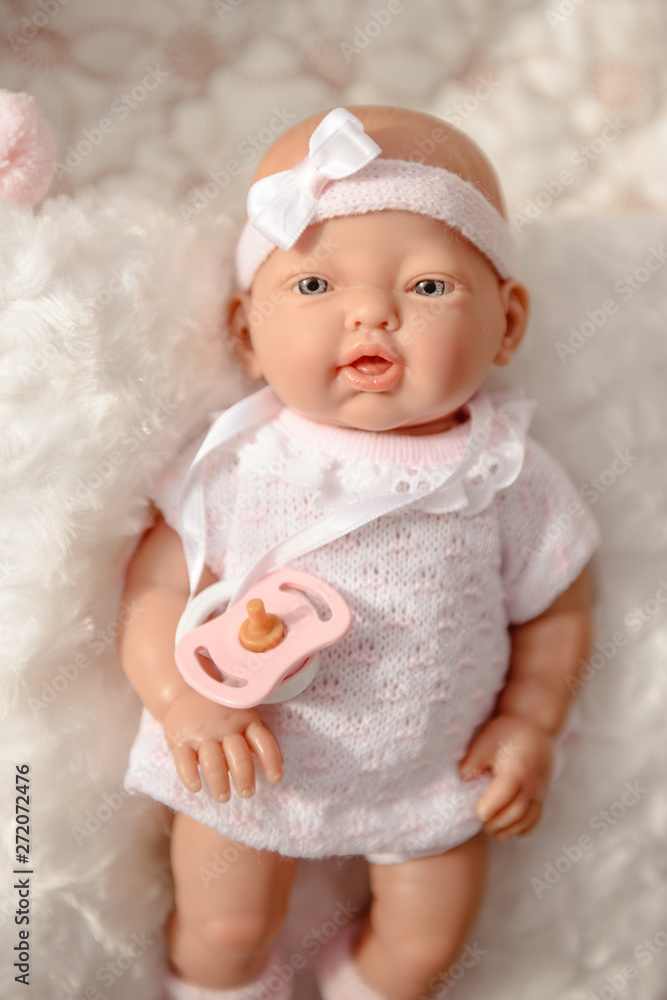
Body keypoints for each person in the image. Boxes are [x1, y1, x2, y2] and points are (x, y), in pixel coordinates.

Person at [119, 105, 599, 1000]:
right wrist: (181, 701)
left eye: (427, 286)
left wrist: (530, 720)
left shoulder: (505, 472)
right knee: (223, 927)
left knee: (423, 950)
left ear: (506, 323)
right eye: (313, 285)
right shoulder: (239, 460)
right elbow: (153, 588)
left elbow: (558, 605)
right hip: (248, 760)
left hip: (434, 771)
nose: (372, 313)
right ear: (246, 333)